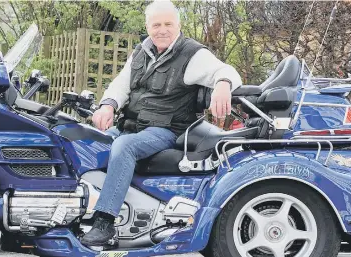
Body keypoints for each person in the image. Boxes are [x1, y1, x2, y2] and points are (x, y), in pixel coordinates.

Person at [80, 0, 242, 248]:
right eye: (156, 24)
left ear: (178, 25)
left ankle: (105, 222)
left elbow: (227, 71)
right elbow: (122, 84)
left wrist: (222, 85)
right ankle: (76, 211)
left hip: (167, 129)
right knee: (85, 142)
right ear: (148, 26)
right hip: (132, 125)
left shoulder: (192, 53)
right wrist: (108, 105)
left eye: (168, 24)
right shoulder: (142, 51)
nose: (162, 30)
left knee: (125, 147)